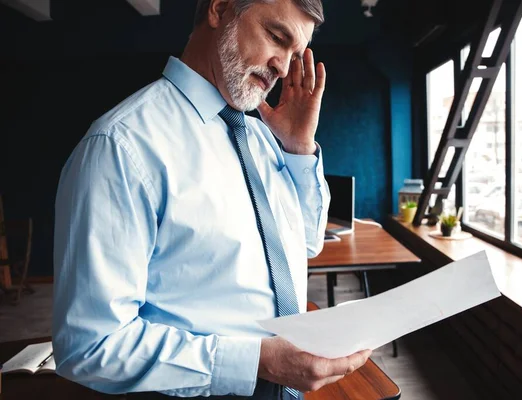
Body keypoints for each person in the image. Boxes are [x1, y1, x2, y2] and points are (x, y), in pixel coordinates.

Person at [52, 0, 372, 398]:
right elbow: (89, 347)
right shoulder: (122, 145)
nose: (284, 68)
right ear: (219, 10)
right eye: (276, 36)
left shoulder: (262, 138)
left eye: (295, 53)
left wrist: (299, 148)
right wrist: (257, 361)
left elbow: (306, 242)